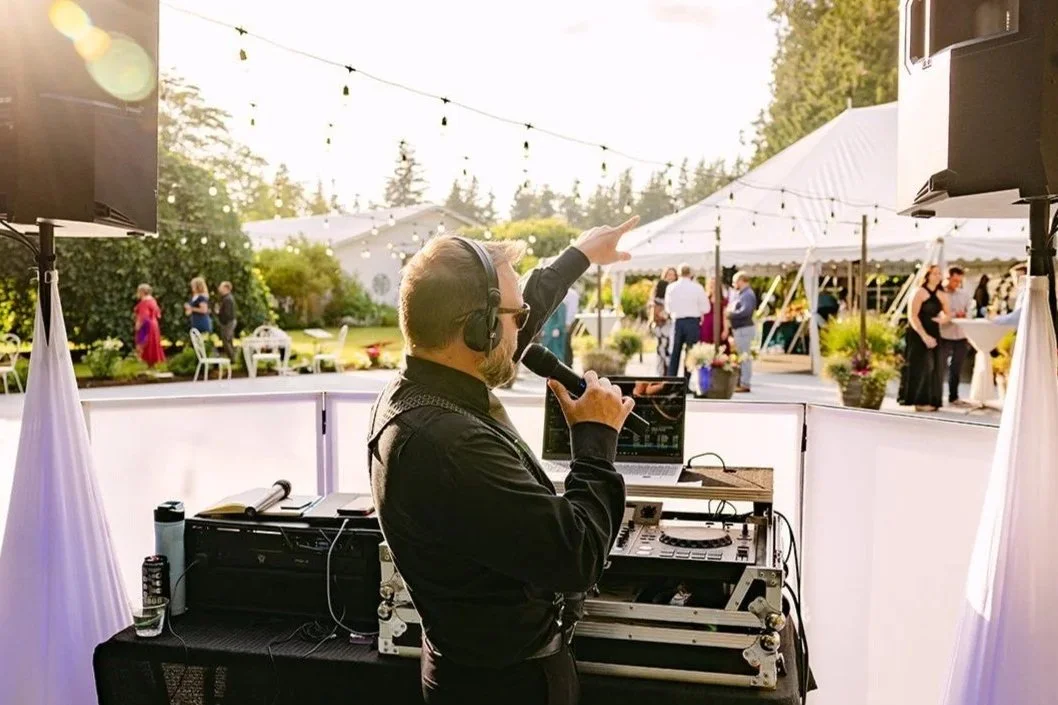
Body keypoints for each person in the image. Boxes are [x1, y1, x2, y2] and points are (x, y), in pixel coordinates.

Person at [369, 216, 640, 705]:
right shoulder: (449, 446)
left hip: (474, 669)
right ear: (480, 328)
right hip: (506, 687)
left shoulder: (423, 386)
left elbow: (510, 327)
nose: (525, 329)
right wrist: (595, 442)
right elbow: (577, 556)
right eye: (517, 316)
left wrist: (579, 255)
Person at [899, 264, 951, 412]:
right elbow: (912, 316)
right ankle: (919, 401)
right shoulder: (919, 292)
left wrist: (943, 319)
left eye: (939, 273)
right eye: (934, 273)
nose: (937, 276)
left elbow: (948, 313)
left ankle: (932, 400)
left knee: (936, 367)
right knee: (922, 366)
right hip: (918, 333)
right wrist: (924, 336)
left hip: (934, 331)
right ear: (927, 275)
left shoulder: (942, 294)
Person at [664, 264, 709, 377]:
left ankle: (672, 382)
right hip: (693, 322)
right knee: (690, 354)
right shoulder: (697, 287)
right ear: (691, 274)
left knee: (675, 353)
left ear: (679, 273)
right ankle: (686, 383)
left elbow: (668, 308)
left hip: (678, 322)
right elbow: (706, 308)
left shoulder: (671, 287)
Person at [940, 267, 972, 406]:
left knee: (956, 368)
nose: (957, 284)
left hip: (960, 335)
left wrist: (964, 315)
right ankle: (936, 395)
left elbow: (969, 312)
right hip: (943, 335)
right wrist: (953, 314)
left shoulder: (964, 295)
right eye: (955, 281)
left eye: (959, 281)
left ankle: (953, 396)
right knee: (939, 367)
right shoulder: (939, 293)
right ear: (948, 277)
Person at [728, 271, 758, 393]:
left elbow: (746, 311)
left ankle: (745, 383)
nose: (734, 284)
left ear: (741, 281)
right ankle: (742, 381)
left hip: (744, 329)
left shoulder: (747, 295)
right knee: (743, 356)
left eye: (735, 281)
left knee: (745, 357)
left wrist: (730, 314)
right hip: (741, 329)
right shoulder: (743, 294)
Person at [648, 268, 678, 376]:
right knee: (661, 348)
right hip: (660, 324)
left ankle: (668, 372)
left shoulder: (677, 289)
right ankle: (662, 373)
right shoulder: (659, 287)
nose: (670, 277)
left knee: (668, 348)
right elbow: (652, 305)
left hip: (671, 324)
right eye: (668, 275)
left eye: (672, 275)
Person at [133, 284, 165, 367]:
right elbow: (158, 314)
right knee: (152, 344)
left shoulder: (144, 302)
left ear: (142, 292)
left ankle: (144, 366)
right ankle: (152, 366)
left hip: (146, 325)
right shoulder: (153, 301)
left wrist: (138, 325)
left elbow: (144, 316)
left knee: (142, 345)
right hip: (154, 324)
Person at [699, 276, 729, 349]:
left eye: (715, 284)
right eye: (711, 284)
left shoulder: (724, 300)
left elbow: (725, 316)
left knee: (720, 347)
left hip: (719, 326)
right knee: (706, 347)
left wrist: (726, 329)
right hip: (706, 327)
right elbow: (701, 314)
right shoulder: (705, 298)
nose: (713, 286)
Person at [215, 281, 237, 360]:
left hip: (228, 323)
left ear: (226, 288)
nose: (219, 288)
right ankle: (232, 358)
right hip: (229, 322)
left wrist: (219, 313)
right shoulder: (227, 298)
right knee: (229, 340)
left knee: (226, 340)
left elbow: (227, 313)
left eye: (221, 287)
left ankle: (232, 359)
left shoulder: (227, 299)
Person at [561, 286, 579, 366]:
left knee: (566, 342)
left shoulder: (572, 294)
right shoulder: (562, 291)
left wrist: (568, 323)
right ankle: (564, 362)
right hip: (562, 323)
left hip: (568, 323)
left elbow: (572, 310)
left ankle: (568, 364)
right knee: (562, 342)